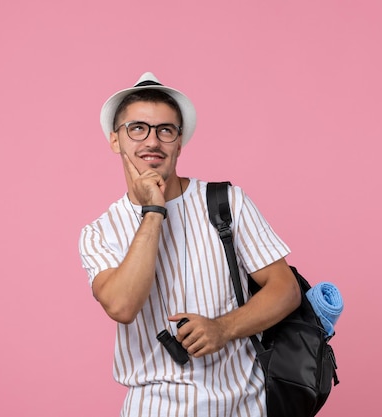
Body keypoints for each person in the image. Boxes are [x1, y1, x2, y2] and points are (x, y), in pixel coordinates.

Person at [79, 72, 301, 417]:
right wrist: (153, 210)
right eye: (137, 128)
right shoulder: (99, 232)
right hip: (154, 408)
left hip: (246, 406)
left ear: (179, 143)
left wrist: (222, 328)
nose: (152, 141)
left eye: (165, 130)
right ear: (115, 140)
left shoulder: (226, 202)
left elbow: (286, 290)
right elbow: (122, 307)